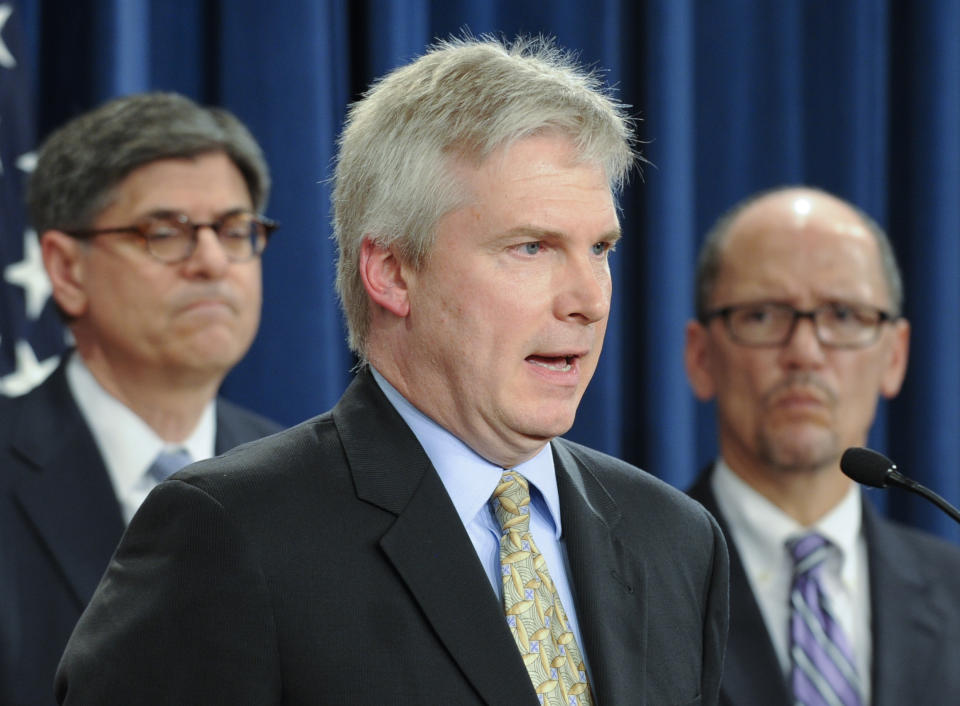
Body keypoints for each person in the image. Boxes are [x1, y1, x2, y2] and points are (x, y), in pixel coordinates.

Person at [56, 37, 728, 705]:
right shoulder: (233, 534)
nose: (588, 300)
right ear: (393, 272)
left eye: (601, 248)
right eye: (532, 247)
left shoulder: (673, 537)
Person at [0, 92, 282, 706]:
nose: (212, 260)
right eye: (165, 232)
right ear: (67, 270)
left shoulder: (300, 479)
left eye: (235, 231)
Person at [685, 186, 960, 706]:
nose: (805, 353)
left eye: (843, 315)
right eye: (763, 315)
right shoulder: (634, 580)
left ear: (895, 356)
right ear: (700, 356)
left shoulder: (956, 593)